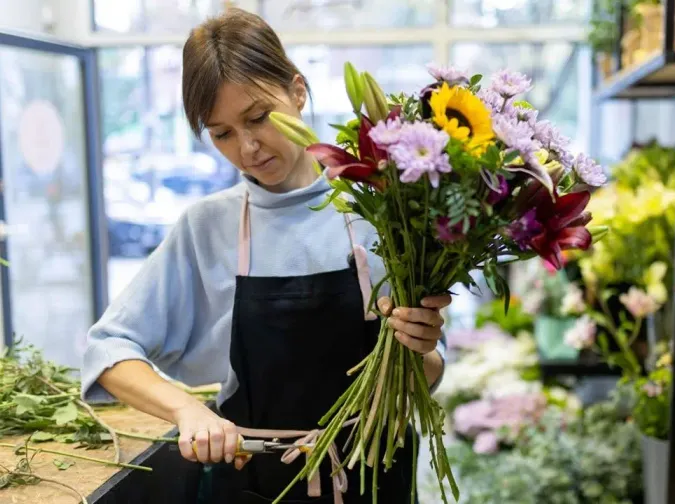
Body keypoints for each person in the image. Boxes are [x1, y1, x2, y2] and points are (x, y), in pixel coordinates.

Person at [82, 8, 448, 503]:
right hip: (253, 481)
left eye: (257, 117)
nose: (248, 147)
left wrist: (423, 349)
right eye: (222, 133)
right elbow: (108, 351)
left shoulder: (383, 208)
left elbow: (425, 374)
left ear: (297, 91)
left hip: (374, 473)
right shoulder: (208, 226)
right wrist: (189, 413)